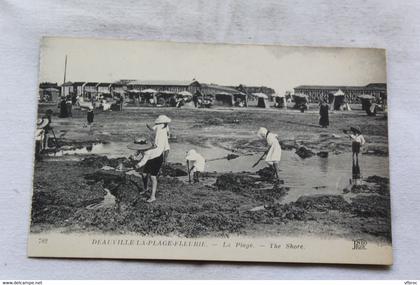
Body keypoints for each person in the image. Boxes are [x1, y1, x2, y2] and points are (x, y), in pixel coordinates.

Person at [129, 137, 165, 203]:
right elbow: (138, 152)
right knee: (144, 174)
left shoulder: (148, 151)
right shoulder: (142, 147)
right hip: (150, 158)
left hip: (158, 158)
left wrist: (137, 166)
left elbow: (143, 161)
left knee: (152, 177)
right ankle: (146, 189)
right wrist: (133, 156)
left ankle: (153, 197)